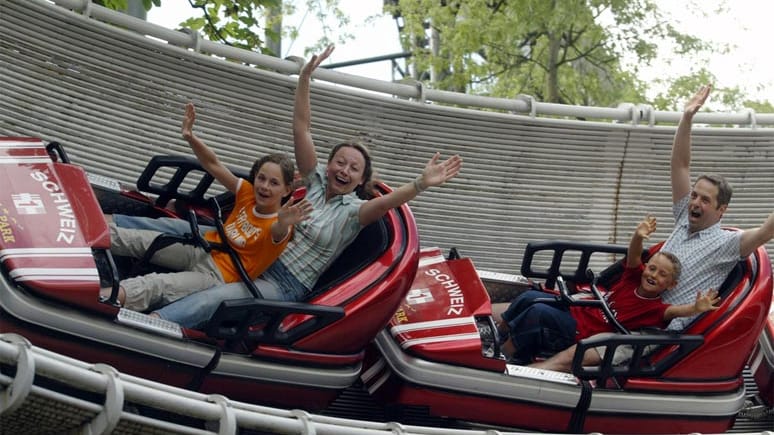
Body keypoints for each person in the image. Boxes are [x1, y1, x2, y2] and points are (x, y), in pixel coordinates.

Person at [151, 45, 463, 328]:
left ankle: (155, 322)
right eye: (340, 162)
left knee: (216, 297)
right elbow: (302, 127)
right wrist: (304, 79)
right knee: (187, 233)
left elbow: (389, 202)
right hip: (257, 255)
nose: (344, 169)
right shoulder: (312, 184)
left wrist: (421, 183)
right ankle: (126, 260)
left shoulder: (355, 212)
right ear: (328, 166)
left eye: (354, 168)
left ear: (360, 180)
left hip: (285, 283)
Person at [532, 84, 774, 372]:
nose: (694, 202)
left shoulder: (727, 245)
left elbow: (765, 231)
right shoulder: (685, 219)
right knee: (539, 299)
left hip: (654, 327)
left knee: (571, 356)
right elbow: (680, 166)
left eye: (705, 200)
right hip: (633, 303)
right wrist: (686, 118)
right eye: (694, 195)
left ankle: (525, 380)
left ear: (722, 210)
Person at [102, 102, 312, 311]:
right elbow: (213, 164)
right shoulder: (247, 193)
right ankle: (76, 238)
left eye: (274, 183)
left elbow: (278, 231)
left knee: (156, 284)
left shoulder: (280, 224)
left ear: (286, 190)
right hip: (202, 249)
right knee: (139, 240)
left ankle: (99, 298)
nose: (265, 187)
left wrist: (284, 222)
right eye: (262, 179)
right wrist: (190, 137)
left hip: (215, 275)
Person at [498, 215, 720, 364]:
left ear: (671, 285)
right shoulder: (633, 278)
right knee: (531, 297)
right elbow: (633, 256)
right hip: (577, 311)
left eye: (662, 275)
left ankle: (506, 353)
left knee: (538, 314)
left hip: (579, 331)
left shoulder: (657, 309)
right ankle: (499, 331)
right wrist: (638, 236)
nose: (653, 275)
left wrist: (697, 307)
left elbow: (677, 312)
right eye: (652, 268)